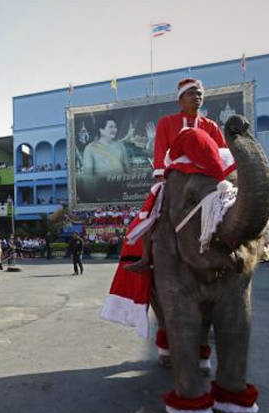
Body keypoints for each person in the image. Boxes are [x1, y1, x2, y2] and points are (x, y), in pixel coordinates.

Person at [101, 78, 228, 357]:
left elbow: (222, 156)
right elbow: (161, 152)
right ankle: (146, 257)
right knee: (149, 213)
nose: (198, 97)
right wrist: (162, 176)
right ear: (180, 98)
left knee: (228, 213)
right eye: (192, 93)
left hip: (207, 184)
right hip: (175, 178)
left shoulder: (211, 127)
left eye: (201, 93)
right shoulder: (167, 122)